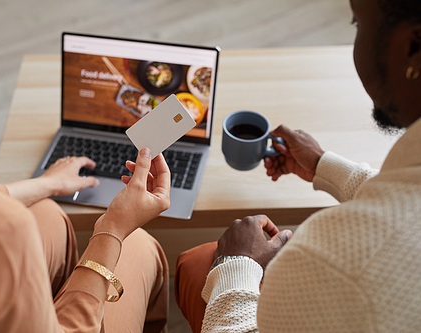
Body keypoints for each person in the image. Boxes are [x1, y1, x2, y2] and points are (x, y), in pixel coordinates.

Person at [0, 1, 171, 332]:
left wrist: (47, 183)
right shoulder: (1, 230)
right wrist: (112, 228)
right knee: (137, 246)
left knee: (46, 212)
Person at [175, 0, 421, 331]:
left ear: (413, 49)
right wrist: (324, 165)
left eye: (357, 24)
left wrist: (236, 263)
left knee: (200, 263)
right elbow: (406, 193)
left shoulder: (334, 258)